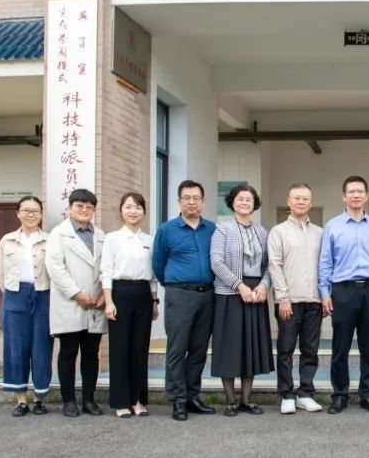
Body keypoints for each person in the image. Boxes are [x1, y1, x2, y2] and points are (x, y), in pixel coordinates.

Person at [318, 175, 369, 414]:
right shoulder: (332, 226)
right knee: (340, 347)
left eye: (360, 191)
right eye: (351, 192)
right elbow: (325, 262)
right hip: (343, 291)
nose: (356, 195)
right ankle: (339, 395)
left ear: (366, 196)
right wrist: (325, 293)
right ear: (343, 197)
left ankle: (368, 394)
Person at [152, 180, 217, 421]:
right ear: (179, 202)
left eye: (196, 198)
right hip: (179, 294)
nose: (191, 202)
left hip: (207, 294)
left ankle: (192, 396)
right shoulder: (167, 230)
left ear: (203, 201)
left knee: (199, 349)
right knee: (178, 348)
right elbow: (158, 264)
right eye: (186, 198)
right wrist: (173, 284)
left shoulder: (212, 229)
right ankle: (178, 399)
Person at [210, 184, 274, 417]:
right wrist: (239, 286)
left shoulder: (262, 232)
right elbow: (216, 262)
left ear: (254, 204)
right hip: (229, 294)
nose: (245, 202)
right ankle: (230, 401)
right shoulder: (222, 229)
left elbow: (270, 265)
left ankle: (247, 400)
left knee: (251, 347)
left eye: (249, 199)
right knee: (229, 347)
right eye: (240, 199)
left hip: (256, 294)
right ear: (232, 202)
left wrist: (264, 285)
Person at [45, 188, 106, 417]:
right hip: (70, 302)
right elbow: (55, 268)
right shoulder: (58, 234)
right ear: (70, 208)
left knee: (91, 353)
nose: (84, 210)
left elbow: (107, 266)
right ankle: (69, 401)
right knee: (68, 352)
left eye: (89, 207)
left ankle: (89, 400)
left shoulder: (101, 235)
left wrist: (104, 294)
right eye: (80, 206)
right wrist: (77, 293)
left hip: (96, 303)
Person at [267, 183, 324, 414]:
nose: (301, 202)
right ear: (289, 202)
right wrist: (283, 298)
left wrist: (325, 296)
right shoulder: (278, 231)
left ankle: (305, 393)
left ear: (310, 203)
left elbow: (325, 266)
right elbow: (274, 265)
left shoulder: (320, 233)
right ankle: (286, 394)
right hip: (288, 302)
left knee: (310, 350)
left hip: (314, 301)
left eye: (305, 199)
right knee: (286, 349)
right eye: (296, 198)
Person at [0, 195, 53, 417]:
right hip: (15, 295)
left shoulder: (49, 240)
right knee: (16, 348)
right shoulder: (7, 240)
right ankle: (20, 400)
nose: (30, 214)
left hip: (43, 294)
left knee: (41, 347)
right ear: (18, 213)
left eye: (35, 211)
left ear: (41, 214)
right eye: (26, 210)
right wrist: (13, 293)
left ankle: (39, 399)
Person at [101, 192, 157, 419]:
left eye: (138, 207)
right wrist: (109, 301)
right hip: (120, 293)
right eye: (129, 207)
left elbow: (152, 276)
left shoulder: (150, 241)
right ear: (121, 210)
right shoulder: (112, 238)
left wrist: (154, 301)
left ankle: (137, 400)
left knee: (140, 349)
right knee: (120, 349)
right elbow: (106, 271)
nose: (133, 211)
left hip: (143, 294)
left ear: (144, 212)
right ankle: (120, 401)